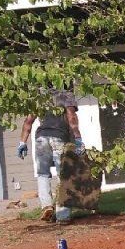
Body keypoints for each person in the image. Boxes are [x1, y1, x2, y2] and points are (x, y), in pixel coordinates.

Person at [17, 90, 84, 223]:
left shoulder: (40, 97)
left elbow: (28, 121)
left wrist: (22, 142)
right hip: (59, 137)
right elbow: (71, 116)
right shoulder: (66, 95)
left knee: (43, 174)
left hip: (41, 139)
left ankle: (47, 206)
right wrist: (78, 137)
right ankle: (62, 215)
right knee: (63, 175)